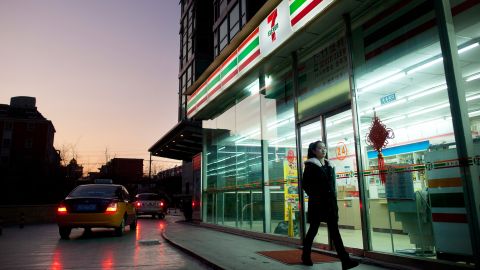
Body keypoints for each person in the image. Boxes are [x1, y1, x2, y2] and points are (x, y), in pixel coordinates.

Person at [301, 140, 358, 269]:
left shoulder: (329, 165)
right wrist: (316, 196)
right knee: (313, 230)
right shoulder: (310, 166)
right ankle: (305, 255)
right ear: (314, 151)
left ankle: (345, 260)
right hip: (317, 204)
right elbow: (306, 185)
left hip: (330, 204)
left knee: (334, 231)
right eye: (320, 148)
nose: (324, 150)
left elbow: (332, 185)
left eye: (325, 148)